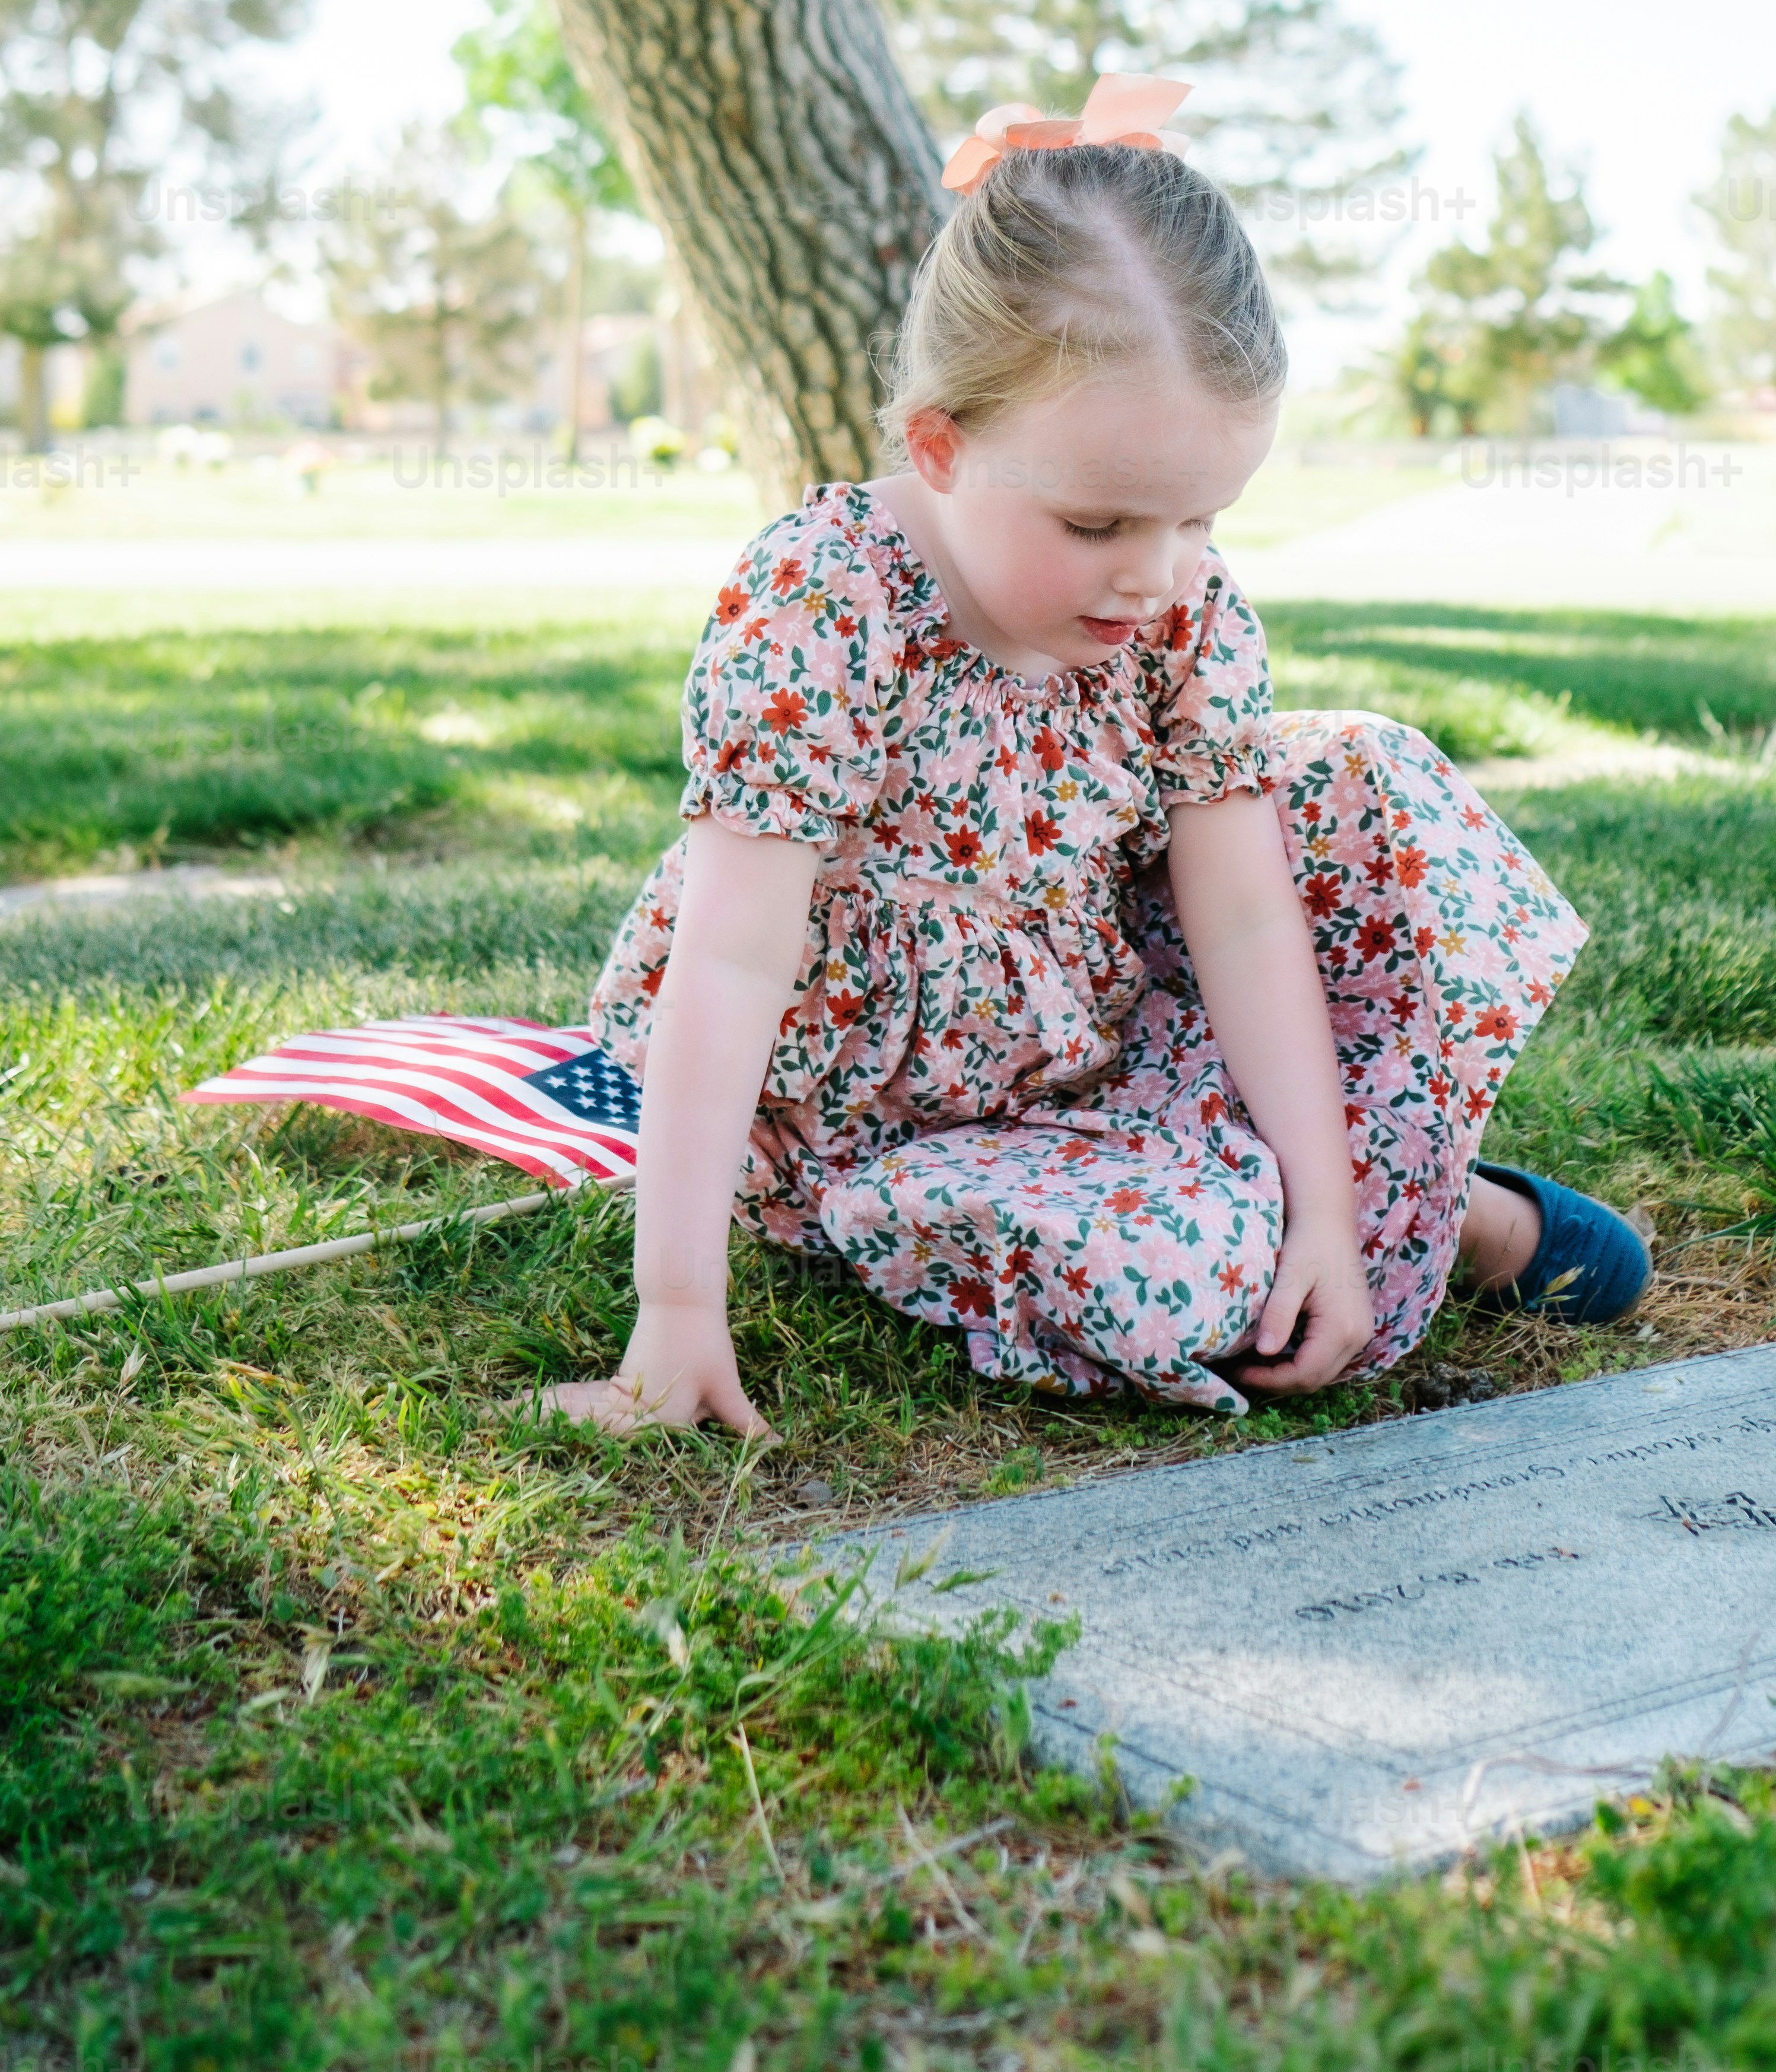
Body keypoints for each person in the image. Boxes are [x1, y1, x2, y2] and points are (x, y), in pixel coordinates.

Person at [551, 78, 1649, 1435]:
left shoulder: (1178, 606)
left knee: (1370, 778)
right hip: (880, 1125)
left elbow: (1245, 920)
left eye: (1198, 518)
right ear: (941, 448)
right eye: (1096, 525)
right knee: (1155, 1280)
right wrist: (675, 1312)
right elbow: (726, 959)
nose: (1153, 574)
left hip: (1103, 1044)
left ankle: (1362, 1204)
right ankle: (1393, 1209)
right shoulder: (822, 605)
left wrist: (1324, 1209)